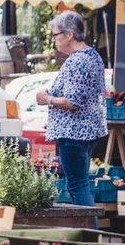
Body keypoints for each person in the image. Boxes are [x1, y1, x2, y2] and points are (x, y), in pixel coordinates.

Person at [38, 11, 106, 207]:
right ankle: (89, 226)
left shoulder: (77, 61)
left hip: (74, 134)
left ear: (69, 35)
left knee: (77, 187)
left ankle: (88, 227)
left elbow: (73, 102)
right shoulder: (93, 56)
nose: (53, 40)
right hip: (87, 131)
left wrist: (47, 99)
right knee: (80, 185)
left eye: (55, 35)